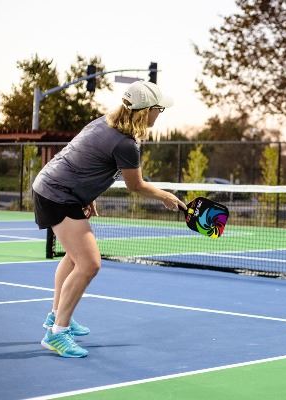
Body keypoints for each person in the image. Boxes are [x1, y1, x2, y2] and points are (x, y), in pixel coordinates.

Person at [32, 81, 186, 358]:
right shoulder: (126, 144)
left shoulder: (103, 123)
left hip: (57, 188)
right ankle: (57, 334)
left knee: (73, 257)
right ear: (146, 110)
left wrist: (87, 196)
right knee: (89, 264)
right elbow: (135, 185)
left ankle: (56, 316)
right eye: (158, 109)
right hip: (57, 194)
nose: (160, 114)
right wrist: (165, 195)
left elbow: (80, 158)